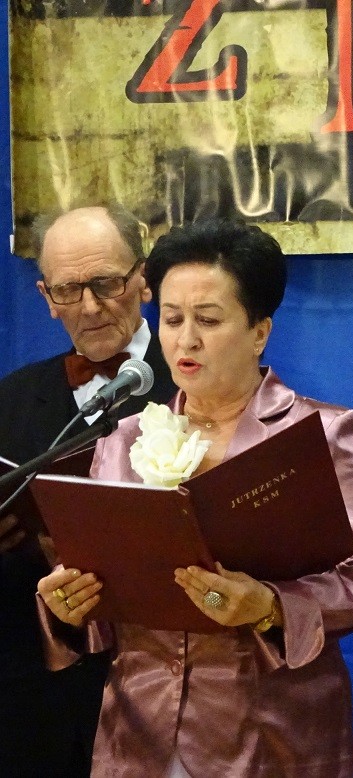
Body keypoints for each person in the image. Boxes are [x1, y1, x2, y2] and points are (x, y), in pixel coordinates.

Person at [35, 219, 353, 776]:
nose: (186, 340)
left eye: (207, 320)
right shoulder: (124, 438)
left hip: (271, 734)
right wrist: (67, 609)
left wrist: (270, 605)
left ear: (259, 332)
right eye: (171, 319)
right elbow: (105, 602)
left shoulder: (320, 434)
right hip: (139, 735)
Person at [0, 205, 177, 776]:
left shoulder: (198, 383)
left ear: (143, 279)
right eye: (68, 290)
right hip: (37, 700)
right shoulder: (11, 399)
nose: (91, 307)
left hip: (168, 691)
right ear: (46, 298)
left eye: (106, 283)